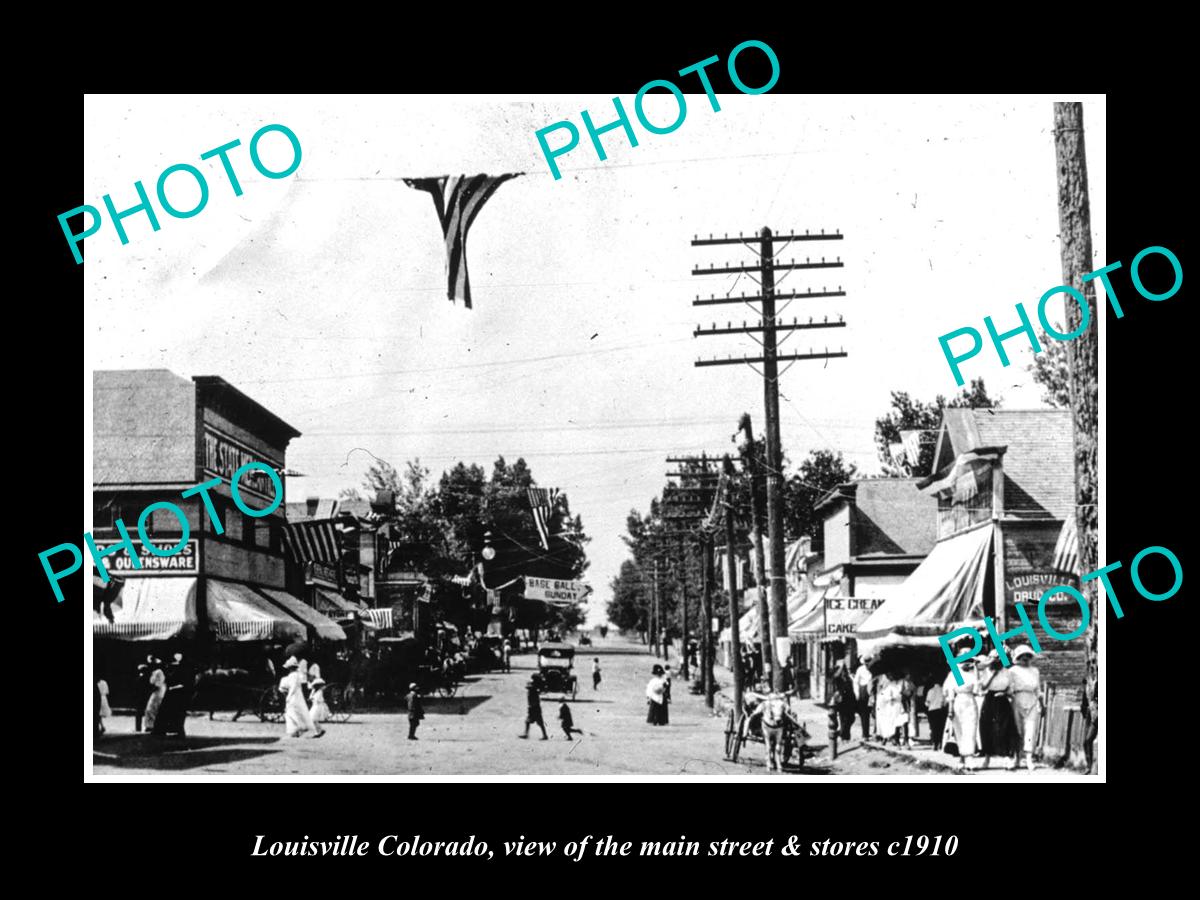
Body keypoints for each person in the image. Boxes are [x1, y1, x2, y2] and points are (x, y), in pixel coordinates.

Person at [979, 652, 1019, 769]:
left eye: (999, 659)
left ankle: (1007, 758)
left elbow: (1011, 687)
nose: (996, 662)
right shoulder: (986, 671)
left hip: (1002, 699)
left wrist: (1005, 692)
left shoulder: (1007, 672)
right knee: (986, 728)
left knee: (1005, 728)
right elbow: (983, 687)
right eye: (994, 659)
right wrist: (993, 675)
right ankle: (987, 758)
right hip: (989, 699)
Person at [1009, 645, 1043, 770]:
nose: (1025, 658)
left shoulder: (1035, 671)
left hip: (1032, 700)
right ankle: (1016, 758)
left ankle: (1029, 759)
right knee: (1017, 730)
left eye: (1027, 656)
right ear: (1018, 657)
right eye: (1022, 656)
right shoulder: (1013, 671)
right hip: (1017, 698)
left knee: (1031, 729)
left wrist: (1042, 704)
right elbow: (1010, 687)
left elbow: (1038, 689)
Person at [748, 690, 798, 772]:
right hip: (766, 725)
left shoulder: (781, 703)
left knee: (778, 745)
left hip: (779, 724)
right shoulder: (765, 703)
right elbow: (757, 709)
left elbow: (787, 708)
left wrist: (786, 710)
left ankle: (778, 764)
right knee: (753, 716)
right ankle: (769, 762)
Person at [945, 657, 980, 769]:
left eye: (969, 661)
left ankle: (969, 757)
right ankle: (962, 757)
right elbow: (950, 691)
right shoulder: (955, 673)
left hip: (970, 702)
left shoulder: (972, 674)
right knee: (959, 730)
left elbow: (977, 690)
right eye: (964, 661)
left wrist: (976, 670)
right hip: (958, 702)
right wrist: (950, 708)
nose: (967, 663)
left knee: (970, 729)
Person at [280, 657, 324, 739]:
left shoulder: (293, 676)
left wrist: (288, 696)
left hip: (294, 696)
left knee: (292, 712)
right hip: (297, 695)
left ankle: (297, 729)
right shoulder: (296, 675)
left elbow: (292, 687)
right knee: (298, 712)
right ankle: (297, 730)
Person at [874, 671, 907, 745]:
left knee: (898, 722)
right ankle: (886, 737)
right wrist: (890, 697)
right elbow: (884, 695)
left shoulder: (900, 683)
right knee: (889, 721)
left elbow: (900, 693)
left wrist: (897, 695)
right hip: (889, 705)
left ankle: (895, 738)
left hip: (898, 704)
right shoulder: (889, 684)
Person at [831, 660, 856, 740]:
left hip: (850, 700)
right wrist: (841, 667)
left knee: (851, 719)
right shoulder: (838, 678)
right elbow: (836, 676)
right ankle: (844, 736)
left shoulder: (848, 678)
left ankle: (843, 734)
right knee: (844, 719)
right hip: (843, 701)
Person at [134, 655, 157, 732]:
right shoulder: (148, 678)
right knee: (148, 712)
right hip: (147, 696)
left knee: (139, 713)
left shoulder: (140, 678)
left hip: (141, 697)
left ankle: (138, 728)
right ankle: (149, 726)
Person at [853, 657, 873, 740]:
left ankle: (877, 733)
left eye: (869, 662)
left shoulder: (873, 669)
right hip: (863, 691)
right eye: (866, 663)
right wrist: (857, 693)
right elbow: (855, 682)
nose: (867, 664)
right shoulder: (860, 670)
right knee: (864, 714)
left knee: (874, 713)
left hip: (872, 690)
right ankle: (865, 734)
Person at [144, 659, 167, 733]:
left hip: (158, 692)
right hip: (155, 691)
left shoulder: (159, 672)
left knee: (152, 708)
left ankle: (153, 725)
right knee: (150, 708)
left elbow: (158, 684)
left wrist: (151, 690)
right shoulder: (153, 672)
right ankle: (150, 725)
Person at [925, 678, 948, 751]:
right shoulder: (943, 690)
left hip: (932, 711)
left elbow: (927, 703)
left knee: (933, 728)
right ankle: (941, 743)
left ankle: (935, 744)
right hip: (941, 711)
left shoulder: (930, 691)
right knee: (941, 727)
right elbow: (945, 702)